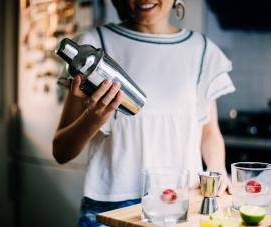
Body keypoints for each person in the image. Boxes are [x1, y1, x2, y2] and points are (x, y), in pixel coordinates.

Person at [53, 0, 236, 226]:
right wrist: (94, 118)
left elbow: (208, 131)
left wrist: (217, 169)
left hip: (180, 204)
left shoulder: (202, 51)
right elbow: (61, 151)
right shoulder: (92, 48)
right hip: (111, 209)